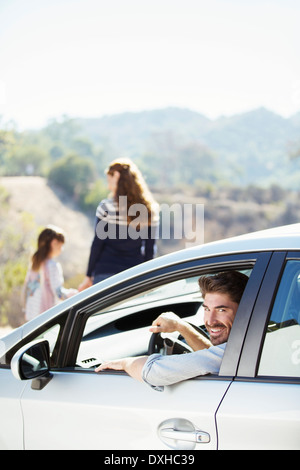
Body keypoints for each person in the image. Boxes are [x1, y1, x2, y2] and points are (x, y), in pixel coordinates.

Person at [95, 271, 248, 390]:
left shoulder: (240, 351)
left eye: (221, 310)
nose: (210, 320)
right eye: (207, 309)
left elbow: (154, 372)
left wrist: (125, 363)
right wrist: (181, 326)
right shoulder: (250, 344)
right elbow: (209, 358)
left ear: (246, 310)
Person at [79, 158, 159, 290]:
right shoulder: (149, 211)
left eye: (109, 180)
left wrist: (88, 275)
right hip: (132, 276)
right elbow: (150, 250)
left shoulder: (106, 207)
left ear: (116, 179)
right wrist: (146, 279)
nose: (108, 186)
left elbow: (97, 243)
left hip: (104, 274)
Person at [22, 225, 78, 322]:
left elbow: (26, 289)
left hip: (31, 315)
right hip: (45, 316)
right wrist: (75, 294)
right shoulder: (52, 266)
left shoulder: (34, 264)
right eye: (61, 245)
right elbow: (59, 293)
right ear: (54, 243)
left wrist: (25, 309)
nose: (62, 249)